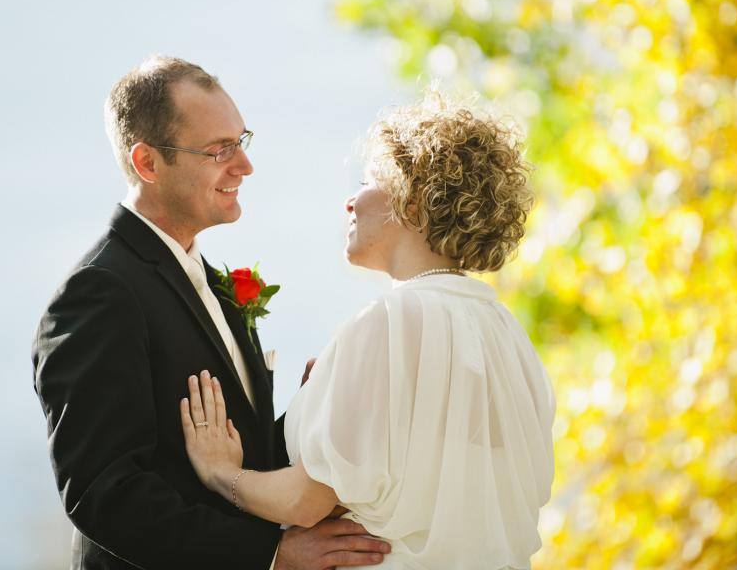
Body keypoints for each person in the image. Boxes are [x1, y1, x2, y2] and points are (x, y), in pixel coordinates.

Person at [32, 56, 391, 569]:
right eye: (219, 150)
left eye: (241, 142)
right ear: (148, 163)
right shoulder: (100, 293)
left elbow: (236, 452)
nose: (244, 166)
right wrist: (272, 554)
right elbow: (104, 494)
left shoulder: (210, 281)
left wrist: (313, 410)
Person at [180, 94, 556, 570]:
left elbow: (306, 501)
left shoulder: (388, 323)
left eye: (369, 180)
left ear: (415, 197)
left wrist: (220, 474)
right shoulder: (507, 335)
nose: (351, 200)